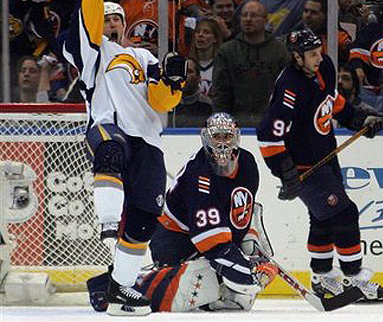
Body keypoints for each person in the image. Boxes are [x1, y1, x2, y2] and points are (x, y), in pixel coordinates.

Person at [63, 0, 187, 316]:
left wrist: (175, 82)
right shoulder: (93, 54)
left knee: (146, 216)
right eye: (106, 18)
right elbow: (85, 23)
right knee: (110, 154)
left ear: (126, 24)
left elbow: (162, 102)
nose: (111, 24)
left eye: (117, 18)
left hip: (148, 141)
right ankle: (106, 221)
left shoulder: (144, 58)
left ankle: (119, 288)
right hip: (108, 126)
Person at [87, 113, 277, 312]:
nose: (222, 144)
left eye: (226, 137)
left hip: (209, 237)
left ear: (236, 137)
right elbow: (213, 244)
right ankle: (111, 287)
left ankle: (210, 287)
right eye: (217, 137)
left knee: (240, 299)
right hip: (175, 241)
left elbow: (241, 214)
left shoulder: (247, 163)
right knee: (203, 281)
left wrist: (250, 249)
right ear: (206, 138)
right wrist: (250, 273)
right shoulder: (199, 174)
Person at [256, 28, 383, 302]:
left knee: (323, 216)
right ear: (296, 57)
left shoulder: (325, 67)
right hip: (305, 167)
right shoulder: (289, 88)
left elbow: (333, 103)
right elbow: (268, 136)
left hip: (326, 156)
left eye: (319, 51)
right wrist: (285, 172)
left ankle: (322, 277)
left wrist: (359, 120)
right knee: (345, 213)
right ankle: (354, 278)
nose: (319, 58)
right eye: (312, 54)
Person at [210, 0, 290, 127]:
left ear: (265, 19)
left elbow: (288, 90)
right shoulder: (227, 50)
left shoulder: (279, 51)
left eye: (253, 15)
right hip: (235, 124)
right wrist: (221, 123)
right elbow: (220, 92)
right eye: (244, 15)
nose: (248, 19)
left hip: (272, 123)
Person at [168, 58, 213, 127]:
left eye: (189, 71)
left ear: (199, 78)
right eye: (181, 71)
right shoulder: (168, 105)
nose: (184, 76)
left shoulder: (208, 106)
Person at [189, 18, 224, 98]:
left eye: (206, 32)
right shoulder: (188, 65)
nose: (200, 35)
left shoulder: (222, 65)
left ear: (215, 39)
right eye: (198, 32)